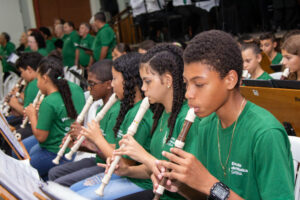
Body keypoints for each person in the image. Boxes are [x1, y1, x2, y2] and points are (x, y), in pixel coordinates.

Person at [150, 30, 294, 199]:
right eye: (186, 83)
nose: (188, 93)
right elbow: (206, 196)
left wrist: (209, 184)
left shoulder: (266, 134)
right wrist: (181, 185)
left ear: (230, 79)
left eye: (199, 84)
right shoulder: (204, 125)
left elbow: (211, 187)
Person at [105, 43, 200, 200]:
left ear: (168, 80)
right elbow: (151, 168)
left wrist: (143, 156)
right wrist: (126, 170)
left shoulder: (187, 119)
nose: (143, 88)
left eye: (147, 81)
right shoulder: (161, 114)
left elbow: (186, 183)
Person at [70, 52, 153, 199]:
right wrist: (89, 143)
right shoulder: (131, 110)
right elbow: (120, 148)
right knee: (73, 189)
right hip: (124, 174)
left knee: (77, 196)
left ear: (129, 81)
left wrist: (98, 139)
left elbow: (125, 162)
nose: (112, 84)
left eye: (115, 79)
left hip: (139, 182)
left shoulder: (139, 114)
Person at [48, 59, 120, 186]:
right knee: (54, 173)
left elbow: (111, 153)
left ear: (108, 84)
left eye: (92, 84)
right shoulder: (100, 108)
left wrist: (87, 141)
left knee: (60, 182)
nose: (88, 88)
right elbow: (98, 148)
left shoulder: (115, 111)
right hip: (98, 158)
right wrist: (79, 144)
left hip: (108, 165)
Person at [21, 55, 85, 180]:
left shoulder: (49, 101)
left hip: (56, 150)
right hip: (72, 143)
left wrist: (32, 115)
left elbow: (41, 137)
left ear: (45, 78)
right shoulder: (75, 88)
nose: (37, 84)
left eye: (37, 79)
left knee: (25, 169)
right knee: (31, 152)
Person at [8, 52, 42, 130]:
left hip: (36, 126)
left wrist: (14, 104)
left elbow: (28, 114)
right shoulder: (36, 81)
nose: (21, 75)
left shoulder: (33, 84)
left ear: (29, 69)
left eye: (22, 72)